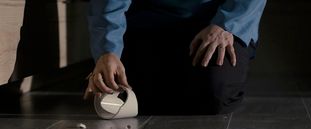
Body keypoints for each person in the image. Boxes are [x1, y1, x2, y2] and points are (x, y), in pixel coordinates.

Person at [84, 0, 267, 115]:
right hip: (151, 20)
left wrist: (226, 25)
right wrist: (108, 51)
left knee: (214, 94)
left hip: (217, 22)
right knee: (124, 91)